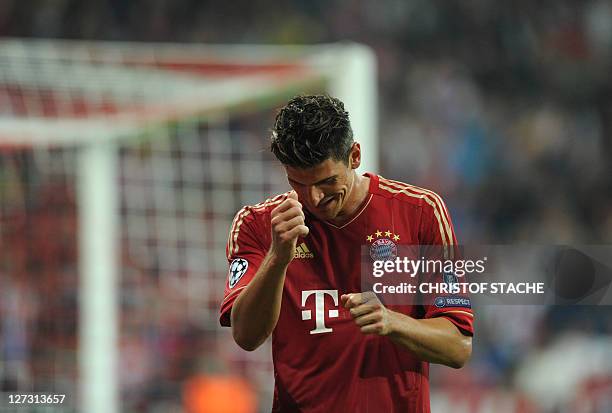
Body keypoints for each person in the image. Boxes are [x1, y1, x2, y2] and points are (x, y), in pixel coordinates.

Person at [220, 95, 474, 412]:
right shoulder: (259, 225)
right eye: (297, 183)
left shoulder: (418, 212)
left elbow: (458, 346)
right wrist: (278, 258)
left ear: (354, 156)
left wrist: (391, 322)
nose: (313, 198)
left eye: (327, 182)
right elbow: (246, 336)